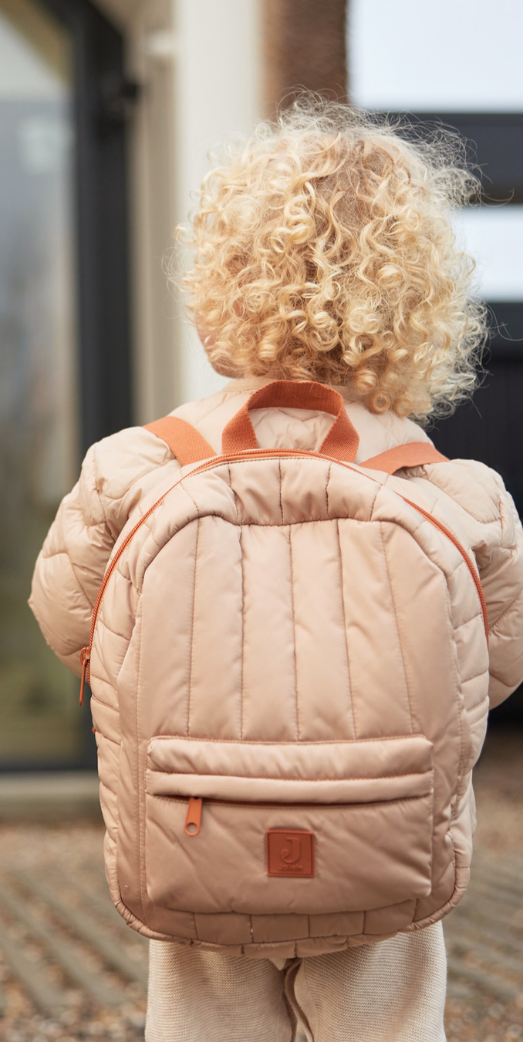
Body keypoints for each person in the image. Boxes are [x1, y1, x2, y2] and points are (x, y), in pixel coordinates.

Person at [28, 98, 523, 1042]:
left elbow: (71, 630)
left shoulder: (136, 468)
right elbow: (489, 672)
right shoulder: (460, 496)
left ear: (222, 279)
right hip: (382, 837)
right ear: (419, 302)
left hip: (197, 824)